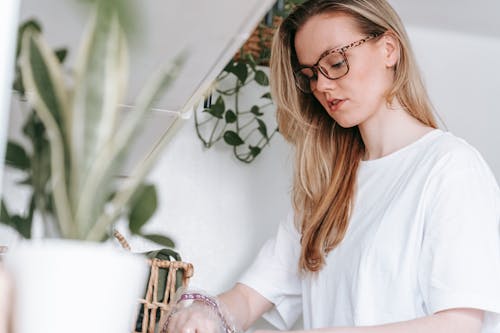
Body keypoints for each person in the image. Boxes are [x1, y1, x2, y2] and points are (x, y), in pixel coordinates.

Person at [163, 0, 500, 332]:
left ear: (389, 50)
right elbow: (248, 299)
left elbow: (459, 325)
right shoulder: (327, 192)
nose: (321, 86)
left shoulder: (450, 168)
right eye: (310, 74)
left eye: (336, 62)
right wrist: (208, 314)